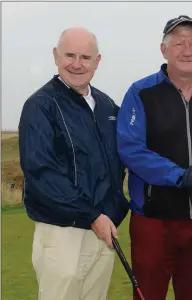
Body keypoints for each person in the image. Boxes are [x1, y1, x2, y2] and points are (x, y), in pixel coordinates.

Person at [116, 15, 192, 300]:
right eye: (179, 43)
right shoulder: (141, 92)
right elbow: (131, 149)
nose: (187, 50)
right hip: (153, 219)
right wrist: (180, 175)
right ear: (164, 50)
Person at [18, 27, 130, 300]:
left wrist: (112, 210)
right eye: (69, 55)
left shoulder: (107, 107)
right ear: (56, 56)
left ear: (97, 61)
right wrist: (91, 215)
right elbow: (42, 173)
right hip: (62, 231)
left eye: (85, 57)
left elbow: (120, 162)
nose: (77, 64)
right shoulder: (40, 105)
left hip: (103, 229)